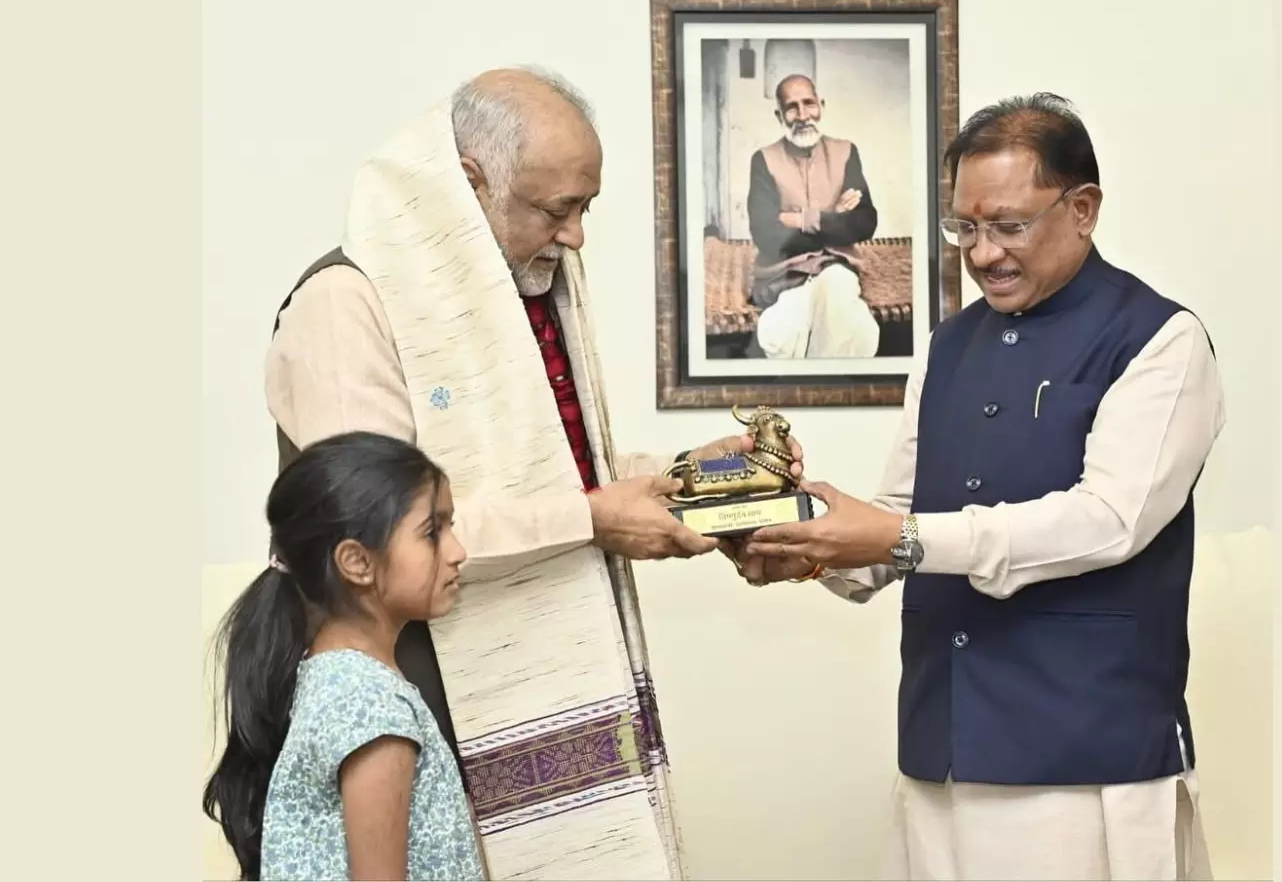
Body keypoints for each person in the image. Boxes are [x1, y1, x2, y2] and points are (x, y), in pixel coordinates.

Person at [264, 66, 800, 879]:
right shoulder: (348, 303)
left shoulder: (524, 293)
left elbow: (559, 474)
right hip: (420, 673)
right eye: (556, 210)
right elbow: (370, 529)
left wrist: (699, 478)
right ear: (469, 183)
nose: (576, 237)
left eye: (586, 208)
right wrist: (593, 519)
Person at [729, 93, 1226, 880]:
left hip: (1085, 760)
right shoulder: (947, 346)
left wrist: (896, 536)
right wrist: (805, 543)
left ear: (1083, 209)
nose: (983, 253)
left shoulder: (1161, 340)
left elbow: (1108, 521)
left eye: (1009, 226)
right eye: (964, 227)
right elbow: (900, 517)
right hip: (942, 747)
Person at [202, 431, 484, 881]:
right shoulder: (372, 709)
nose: (458, 553)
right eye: (432, 532)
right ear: (357, 562)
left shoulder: (337, 679)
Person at [745, 73, 882, 359]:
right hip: (785, 275)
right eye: (792, 107)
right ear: (779, 115)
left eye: (809, 103)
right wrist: (834, 217)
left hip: (836, 267)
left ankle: (818, 383)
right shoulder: (764, 159)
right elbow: (767, 235)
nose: (803, 115)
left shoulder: (846, 152)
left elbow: (864, 223)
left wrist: (799, 219)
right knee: (780, 335)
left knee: (837, 293)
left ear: (821, 106)